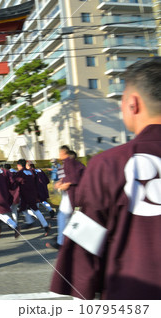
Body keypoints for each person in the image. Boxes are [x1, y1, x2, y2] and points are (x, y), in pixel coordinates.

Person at [50, 57, 161, 299]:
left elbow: (87, 237)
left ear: (133, 103)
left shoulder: (109, 163)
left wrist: (81, 289)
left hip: (131, 292)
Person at [46, 146, 85, 250]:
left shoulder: (73, 164)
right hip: (70, 195)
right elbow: (67, 177)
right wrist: (61, 182)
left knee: (64, 216)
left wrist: (66, 183)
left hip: (73, 195)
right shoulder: (74, 165)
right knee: (68, 217)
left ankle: (62, 241)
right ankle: (65, 238)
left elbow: (73, 178)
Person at [14, 159, 50, 236]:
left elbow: (15, 183)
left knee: (31, 209)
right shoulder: (30, 172)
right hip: (33, 193)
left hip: (25, 194)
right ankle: (30, 222)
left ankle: (45, 225)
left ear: (19, 165)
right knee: (25, 209)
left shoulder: (19, 173)